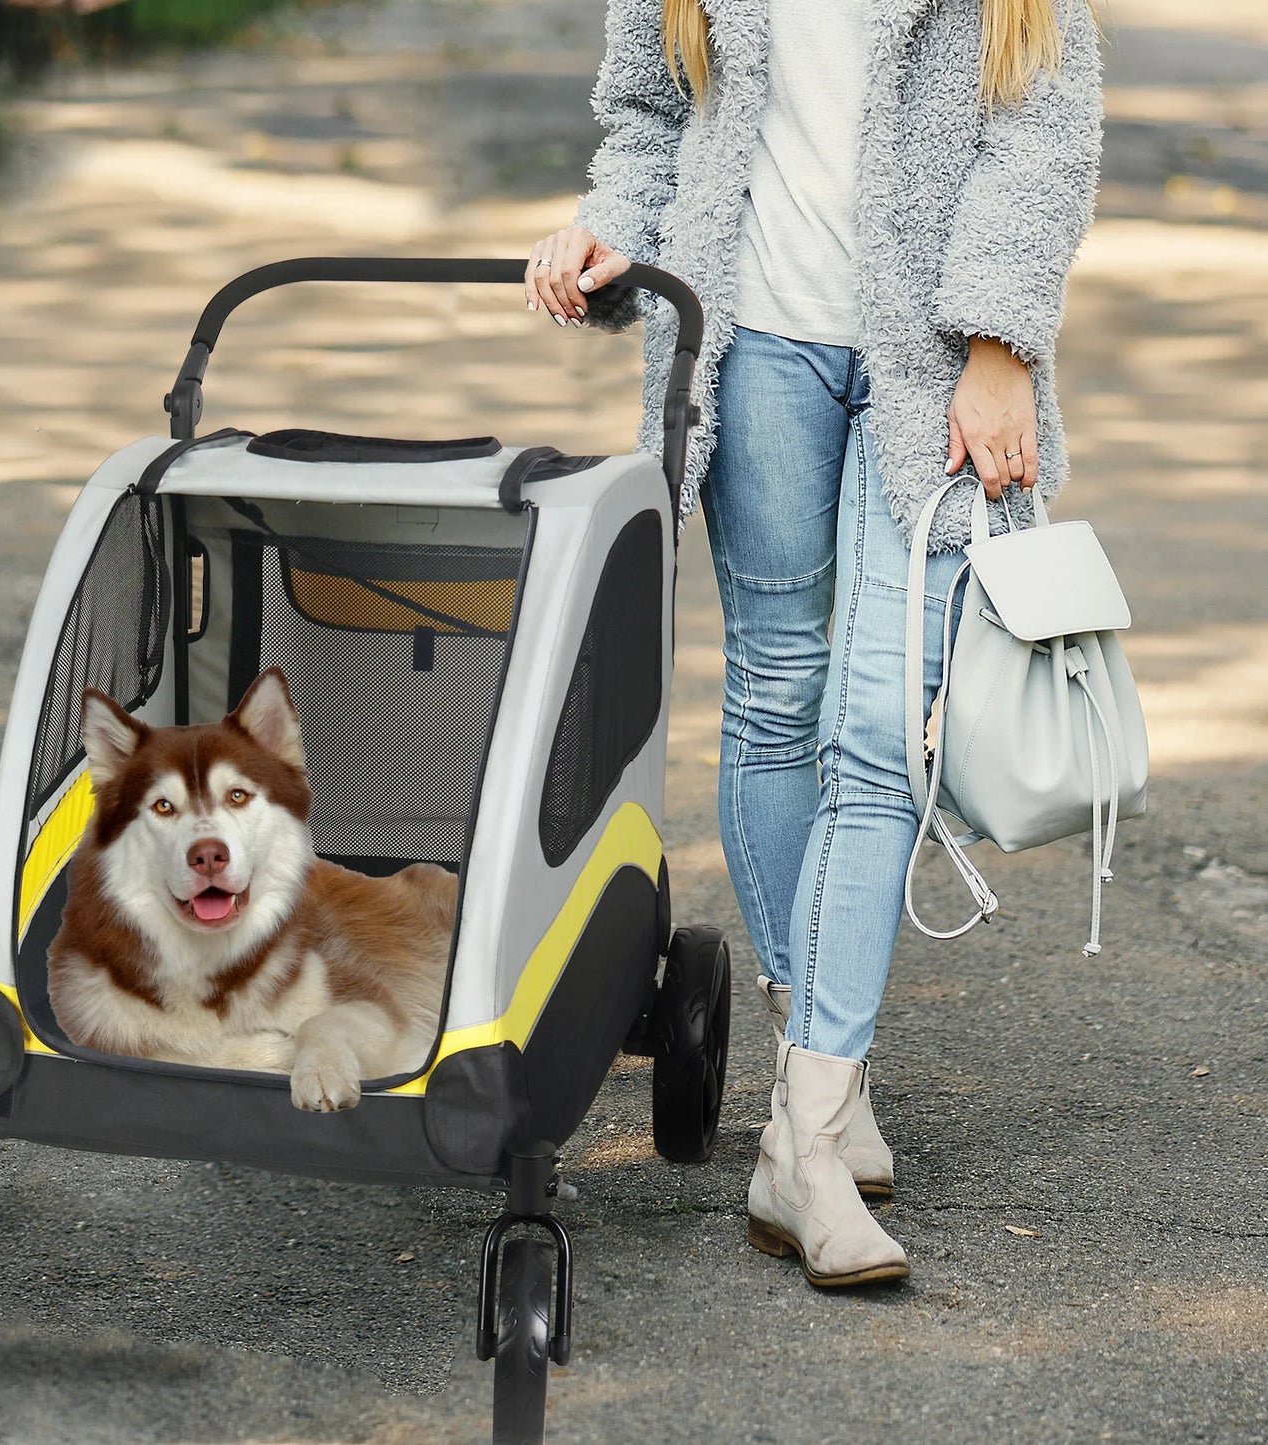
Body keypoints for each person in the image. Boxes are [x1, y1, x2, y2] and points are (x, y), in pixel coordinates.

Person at [526, 0, 1102, 1286]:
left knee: (887, 721)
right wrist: (613, 229)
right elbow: (648, 115)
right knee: (777, 695)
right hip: (753, 347)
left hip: (933, 358)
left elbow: (1043, 132)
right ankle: (816, 1102)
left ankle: (806, 1116)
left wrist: (1002, 345)